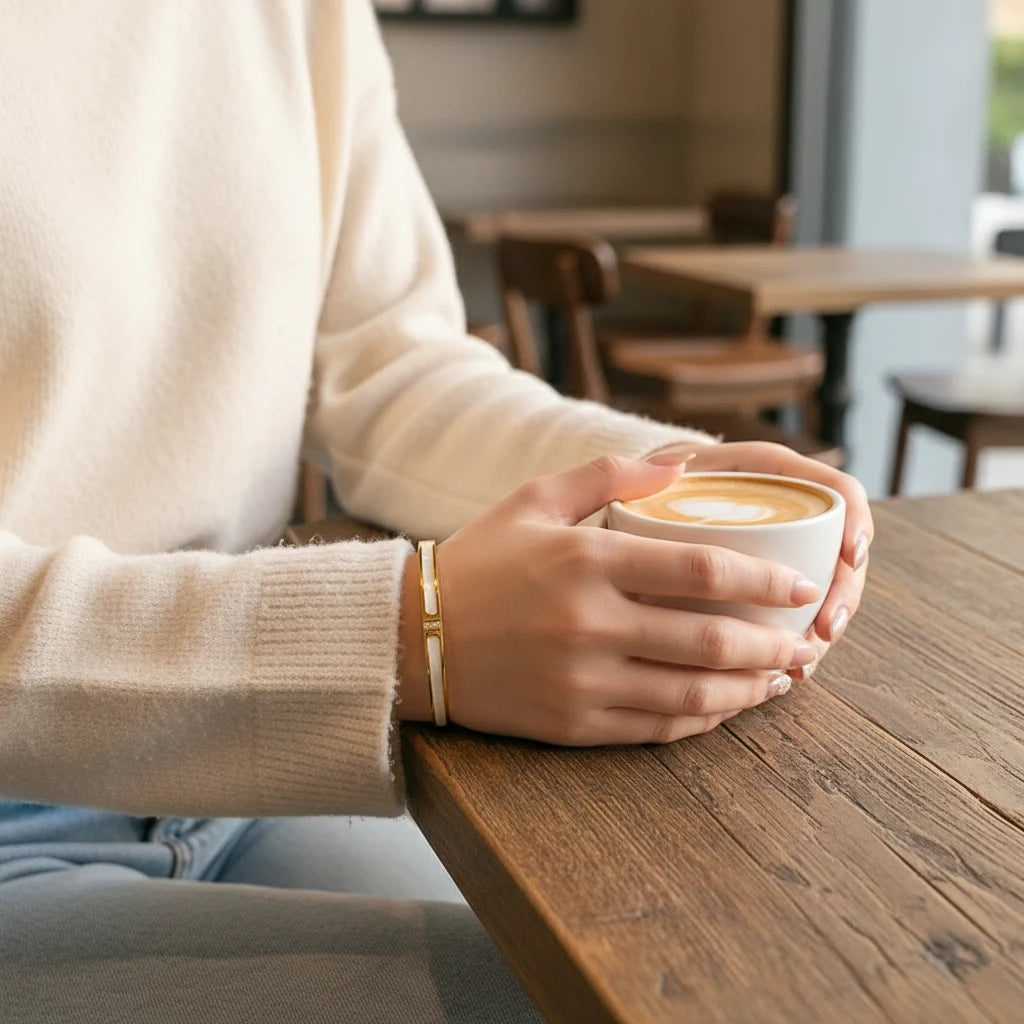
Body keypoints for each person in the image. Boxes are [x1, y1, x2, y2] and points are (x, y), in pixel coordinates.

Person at [0, 2, 871, 1021]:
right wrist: (406, 635)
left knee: (709, 961)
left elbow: (387, 362)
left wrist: (662, 480)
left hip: (239, 775)